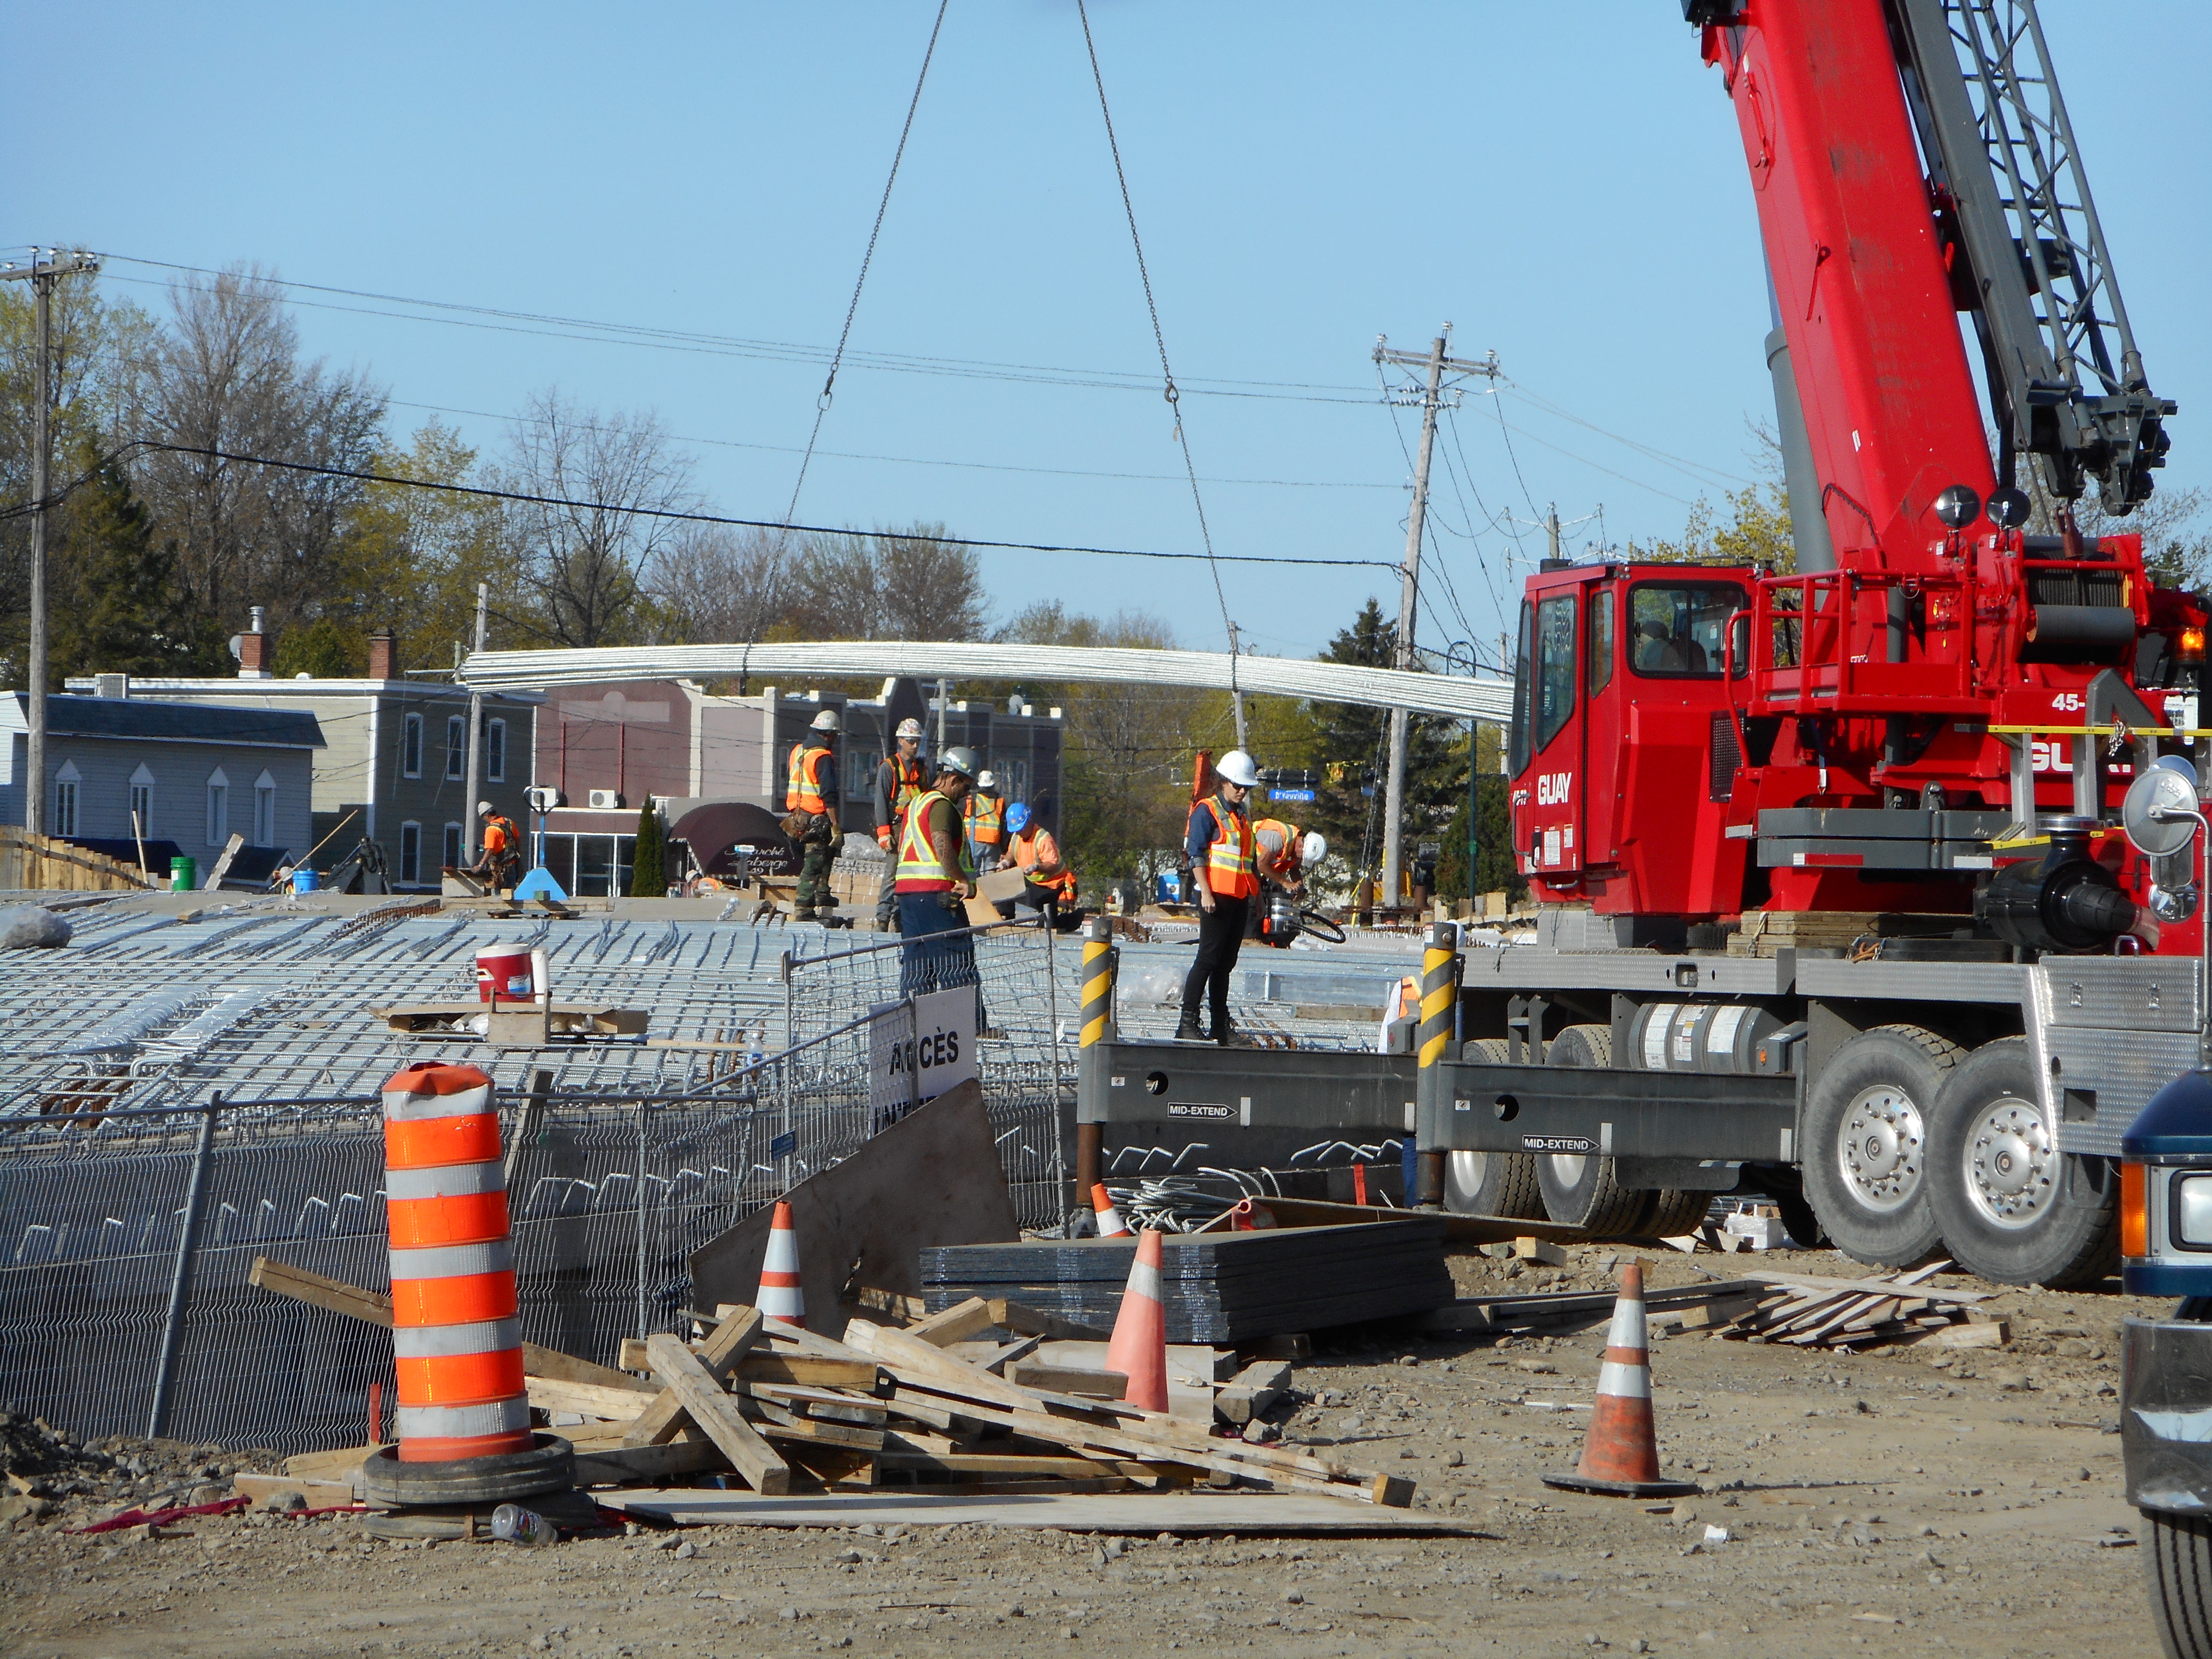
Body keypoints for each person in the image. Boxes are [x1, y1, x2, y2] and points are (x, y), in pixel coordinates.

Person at [1177, 749, 1260, 1045]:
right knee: (1208, 960)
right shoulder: (1207, 810)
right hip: (1216, 898)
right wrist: (1206, 893)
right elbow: (1195, 854)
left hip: (1238, 897)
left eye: (1246, 787)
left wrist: (1257, 897)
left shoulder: (1241, 814)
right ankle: (1187, 1022)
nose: (1242, 791)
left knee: (1225, 964)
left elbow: (1247, 860)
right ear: (1223, 782)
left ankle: (1219, 1025)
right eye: (1237, 785)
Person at [894, 745, 984, 1008]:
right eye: (966, 788)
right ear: (954, 779)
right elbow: (941, 844)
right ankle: (972, 1024)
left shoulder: (916, 803)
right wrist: (963, 880)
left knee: (917, 965)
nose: (966, 795)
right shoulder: (942, 806)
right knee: (956, 961)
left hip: (909, 896)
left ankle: (913, 1022)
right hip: (937, 897)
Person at [786, 708, 841, 922]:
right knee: (815, 862)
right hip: (816, 817)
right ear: (829, 734)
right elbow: (829, 795)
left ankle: (822, 894)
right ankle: (803, 908)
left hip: (796, 816)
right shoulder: (822, 756)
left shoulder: (798, 751)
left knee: (820, 856)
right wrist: (836, 825)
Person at [873, 717, 927, 930]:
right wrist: (884, 833)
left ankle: (900, 918)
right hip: (897, 828)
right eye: (911, 741)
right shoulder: (890, 768)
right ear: (901, 741)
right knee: (892, 875)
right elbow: (881, 800)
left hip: (916, 829)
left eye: (917, 741)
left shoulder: (922, 769)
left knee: (910, 875)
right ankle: (882, 919)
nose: (915, 746)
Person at [1247, 820, 1327, 942]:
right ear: (1301, 846)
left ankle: (1263, 937)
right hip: (1248, 865)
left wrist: (1299, 888)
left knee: (1267, 897)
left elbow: (1295, 870)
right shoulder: (1280, 838)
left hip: (1259, 874)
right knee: (1253, 901)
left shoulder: (1297, 848)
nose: (1300, 859)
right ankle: (1250, 938)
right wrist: (1286, 883)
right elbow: (1261, 865)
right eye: (1302, 856)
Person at [1006, 802, 1078, 924]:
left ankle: (1071, 919)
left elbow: (1052, 864)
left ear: (1029, 822)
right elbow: (1011, 853)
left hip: (1053, 886)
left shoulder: (1043, 839)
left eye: (1020, 829)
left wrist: (1037, 867)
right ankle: (1007, 916)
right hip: (1033, 884)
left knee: (1050, 923)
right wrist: (1006, 862)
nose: (1018, 833)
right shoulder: (1017, 837)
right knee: (1006, 882)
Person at [468, 800, 520, 895]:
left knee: (498, 898)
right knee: (511, 896)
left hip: (500, 869)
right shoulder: (509, 823)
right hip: (513, 866)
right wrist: (517, 856)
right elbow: (517, 839)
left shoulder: (492, 829)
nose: (485, 820)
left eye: (484, 818)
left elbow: (489, 850)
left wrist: (480, 865)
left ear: (487, 816)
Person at [964, 769, 1007, 874]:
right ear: (993, 785)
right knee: (990, 875)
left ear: (979, 784)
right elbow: (1004, 828)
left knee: (972, 873)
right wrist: (1005, 850)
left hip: (974, 841)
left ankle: (974, 890)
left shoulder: (970, 799)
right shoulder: (999, 801)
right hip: (993, 842)